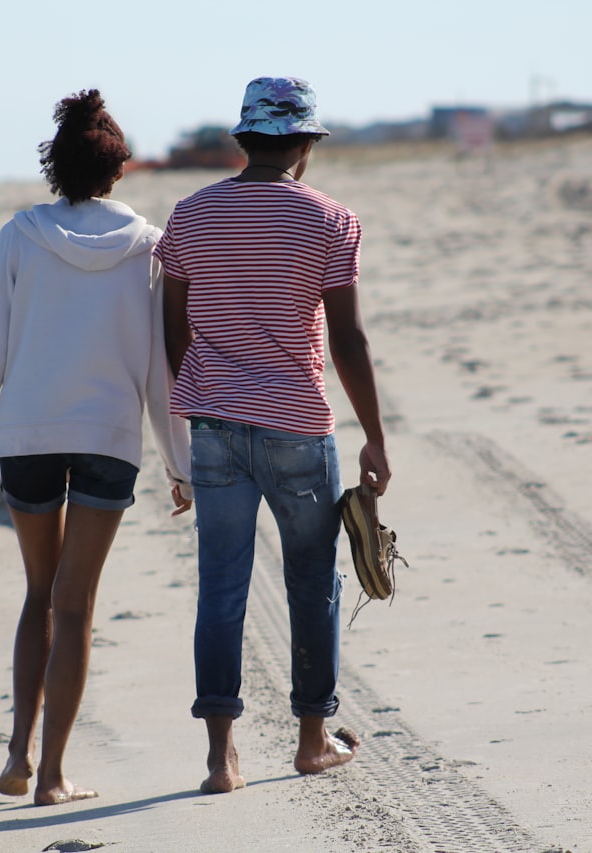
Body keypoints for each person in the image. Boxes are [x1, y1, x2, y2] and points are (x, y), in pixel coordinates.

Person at [0, 89, 191, 805]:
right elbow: (157, 366)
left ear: (58, 166)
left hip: (30, 436)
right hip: (109, 436)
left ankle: (17, 754)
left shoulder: (20, 235)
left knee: (39, 594)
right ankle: (51, 777)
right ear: (115, 170)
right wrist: (181, 462)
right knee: (77, 603)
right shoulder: (147, 245)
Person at [155, 76, 391, 794]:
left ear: (245, 140)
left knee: (220, 587)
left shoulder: (190, 215)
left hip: (215, 427)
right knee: (312, 583)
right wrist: (375, 437)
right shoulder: (330, 220)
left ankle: (220, 756)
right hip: (296, 424)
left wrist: (194, 395)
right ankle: (312, 740)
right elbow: (347, 339)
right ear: (305, 145)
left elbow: (173, 325)